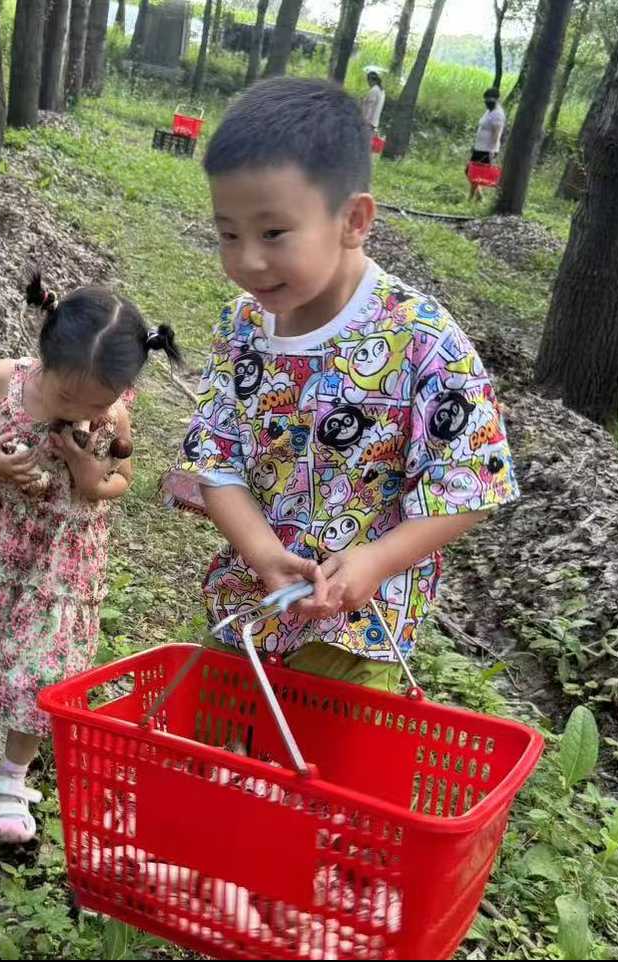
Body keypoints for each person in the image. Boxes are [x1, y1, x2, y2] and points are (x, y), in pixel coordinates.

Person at [162, 77, 519, 692]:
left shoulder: (419, 336)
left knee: (321, 751)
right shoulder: (243, 325)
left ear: (353, 219)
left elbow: (470, 480)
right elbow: (216, 461)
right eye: (228, 234)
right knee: (222, 739)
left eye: (273, 233)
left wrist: (375, 562)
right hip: (250, 608)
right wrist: (263, 554)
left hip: (357, 632)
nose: (247, 260)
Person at [0, 273, 180, 844]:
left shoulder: (114, 413)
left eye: (97, 403)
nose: (81, 412)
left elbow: (121, 479)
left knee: (40, 667)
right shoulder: (5, 380)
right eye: (68, 398)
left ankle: (13, 777)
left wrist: (89, 475)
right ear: (45, 355)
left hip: (59, 568)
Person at [469, 87, 506, 201]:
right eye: (486, 99)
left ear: (496, 99)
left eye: (489, 99)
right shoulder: (489, 111)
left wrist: (492, 150)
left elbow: (496, 134)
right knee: (471, 171)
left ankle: (471, 198)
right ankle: (479, 196)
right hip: (479, 147)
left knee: (475, 173)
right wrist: (475, 145)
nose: (487, 102)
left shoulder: (498, 114)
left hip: (487, 149)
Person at [360, 66, 385, 135]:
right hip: (374, 122)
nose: (368, 83)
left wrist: (364, 121)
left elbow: (370, 107)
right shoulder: (381, 91)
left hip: (368, 122)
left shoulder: (374, 90)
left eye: (368, 81)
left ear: (371, 80)